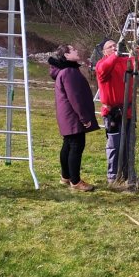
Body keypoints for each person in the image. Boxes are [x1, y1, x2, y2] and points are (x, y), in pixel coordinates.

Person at [48, 44, 100, 192]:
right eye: (73, 50)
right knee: (76, 146)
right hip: (73, 117)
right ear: (66, 56)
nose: (77, 51)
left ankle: (65, 177)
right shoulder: (69, 72)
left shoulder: (65, 71)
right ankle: (75, 181)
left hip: (67, 116)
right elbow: (75, 98)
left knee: (68, 145)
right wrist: (84, 117)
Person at [95, 37, 139, 187]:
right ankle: (113, 176)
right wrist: (116, 54)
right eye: (111, 47)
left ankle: (128, 174)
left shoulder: (124, 62)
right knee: (114, 144)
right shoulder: (102, 65)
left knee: (129, 142)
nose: (115, 48)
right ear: (104, 51)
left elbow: (138, 62)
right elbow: (105, 68)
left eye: (116, 45)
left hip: (127, 111)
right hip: (112, 113)